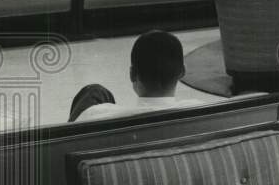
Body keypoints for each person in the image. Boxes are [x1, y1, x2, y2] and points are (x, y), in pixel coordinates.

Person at [68, 30, 201, 123]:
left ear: (132, 74)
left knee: (95, 91)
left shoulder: (95, 116)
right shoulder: (199, 110)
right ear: (182, 72)